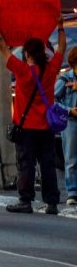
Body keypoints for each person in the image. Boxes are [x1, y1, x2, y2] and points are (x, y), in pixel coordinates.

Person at [0, 13, 65, 215]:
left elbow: (1, 46)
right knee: (48, 163)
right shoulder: (51, 70)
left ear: (26, 54)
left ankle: (25, 200)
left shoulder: (22, 70)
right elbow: (61, 49)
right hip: (46, 127)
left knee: (26, 164)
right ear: (43, 53)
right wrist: (60, 26)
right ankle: (52, 203)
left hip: (25, 128)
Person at [54, 46, 77, 206]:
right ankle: (72, 192)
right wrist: (69, 110)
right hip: (71, 123)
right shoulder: (65, 79)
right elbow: (52, 100)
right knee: (71, 158)